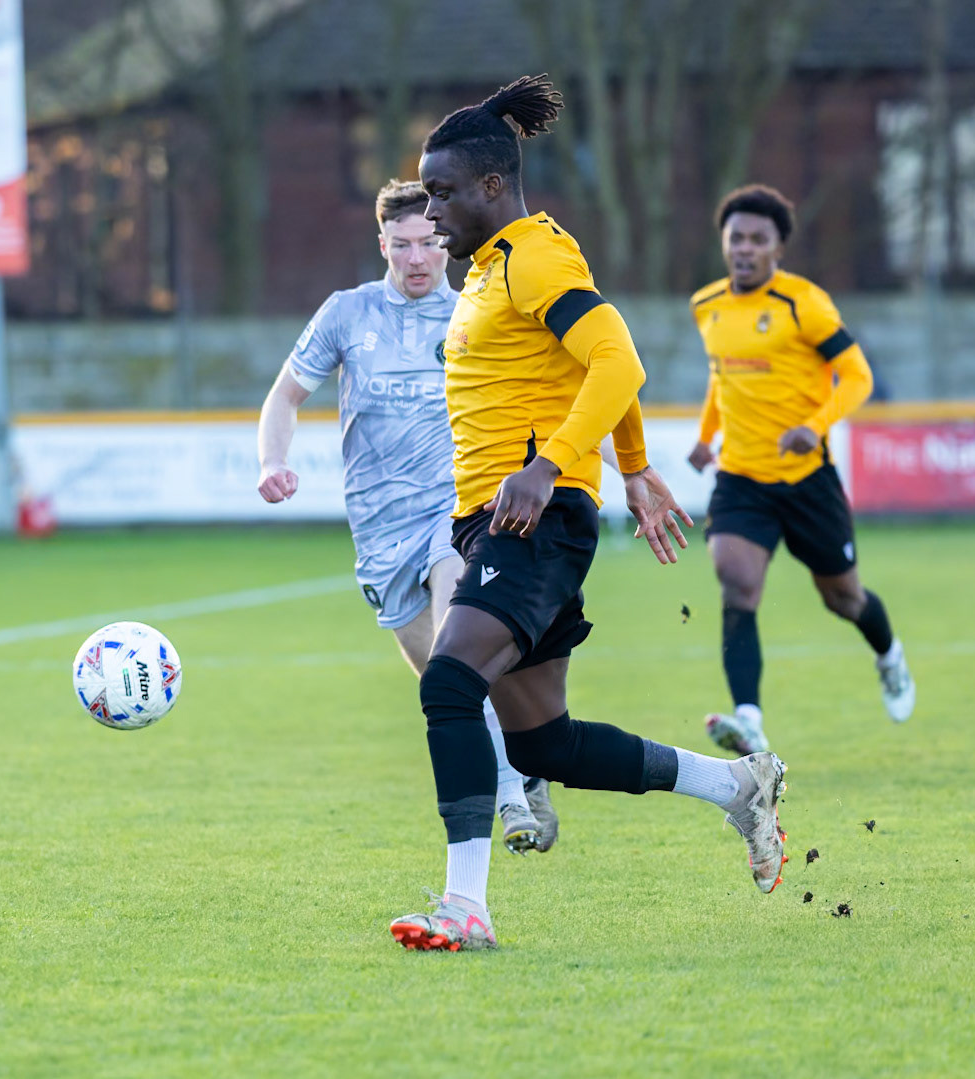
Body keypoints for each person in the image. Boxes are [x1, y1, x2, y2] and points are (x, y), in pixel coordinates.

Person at [390, 75, 788, 952]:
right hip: (497, 517)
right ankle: (736, 786)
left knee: (451, 684)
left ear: (494, 185)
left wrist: (548, 465)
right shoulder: (500, 265)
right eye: (427, 191)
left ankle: (465, 906)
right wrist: (635, 468)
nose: (434, 208)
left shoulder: (533, 255)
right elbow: (593, 367)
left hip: (531, 518)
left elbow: (619, 358)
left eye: (446, 191)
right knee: (543, 745)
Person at [255, 180, 558, 857]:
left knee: (461, 644)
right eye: (403, 245)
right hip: (378, 533)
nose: (418, 258)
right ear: (382, 243)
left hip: (452, 513)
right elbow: (285, 394)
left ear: (446, 242)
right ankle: (529, 760)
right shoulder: (346, 313)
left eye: (429, 243)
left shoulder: (475, 313)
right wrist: (271, 461)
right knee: (444, 679)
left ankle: (510, 799)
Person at [685, 183, 915, 757]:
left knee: (844, 599)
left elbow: (857, 376)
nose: (744, 248)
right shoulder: (706, 305)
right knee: (736, 582)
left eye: (758, 240)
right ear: (724, 243)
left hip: (807, 480)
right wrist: (706, 436)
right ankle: (750, 720)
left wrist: (815, 425)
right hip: (740, 477)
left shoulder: (804, 304)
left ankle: (889, 657)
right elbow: (723, 375)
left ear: (777, 249)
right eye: (736, 237)